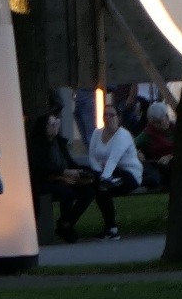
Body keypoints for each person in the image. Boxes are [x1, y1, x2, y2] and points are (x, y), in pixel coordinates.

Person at [60, 107, 143, 242]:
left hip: (128, 174)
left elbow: (113, 159)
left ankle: (111, 230)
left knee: (102, 188)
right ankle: (68, 223)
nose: (108, 118)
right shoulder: (97, 133)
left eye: (112, 115)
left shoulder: (123, 135)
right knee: (90, 187)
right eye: (105, 115)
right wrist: (99, 175)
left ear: (118, 118)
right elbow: (92, 157)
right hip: (104, 172)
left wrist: (103, 178)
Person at [136, 102, 176, 190]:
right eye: (155, 123)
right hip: (157, 166)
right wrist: (137, 153)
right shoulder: (148, 133)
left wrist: (171, 156)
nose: (158, 125)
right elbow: (130, 146)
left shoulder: (177, 129)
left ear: (167, 117)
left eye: (160, 121)